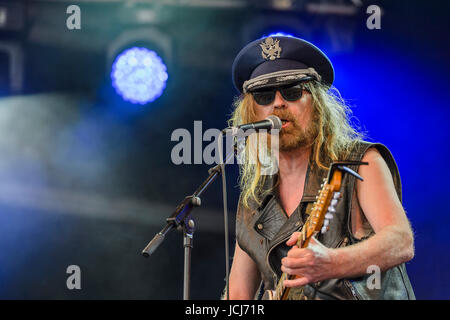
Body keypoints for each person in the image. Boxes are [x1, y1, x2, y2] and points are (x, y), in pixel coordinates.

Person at [225, 36, 415, 300]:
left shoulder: (359, 162)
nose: (278, 104)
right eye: (265, 96)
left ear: (316, 103)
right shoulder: (254, 198)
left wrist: (330, 262)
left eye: (291, 92)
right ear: (251, 115)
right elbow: (237, 294)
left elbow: (400, 241)